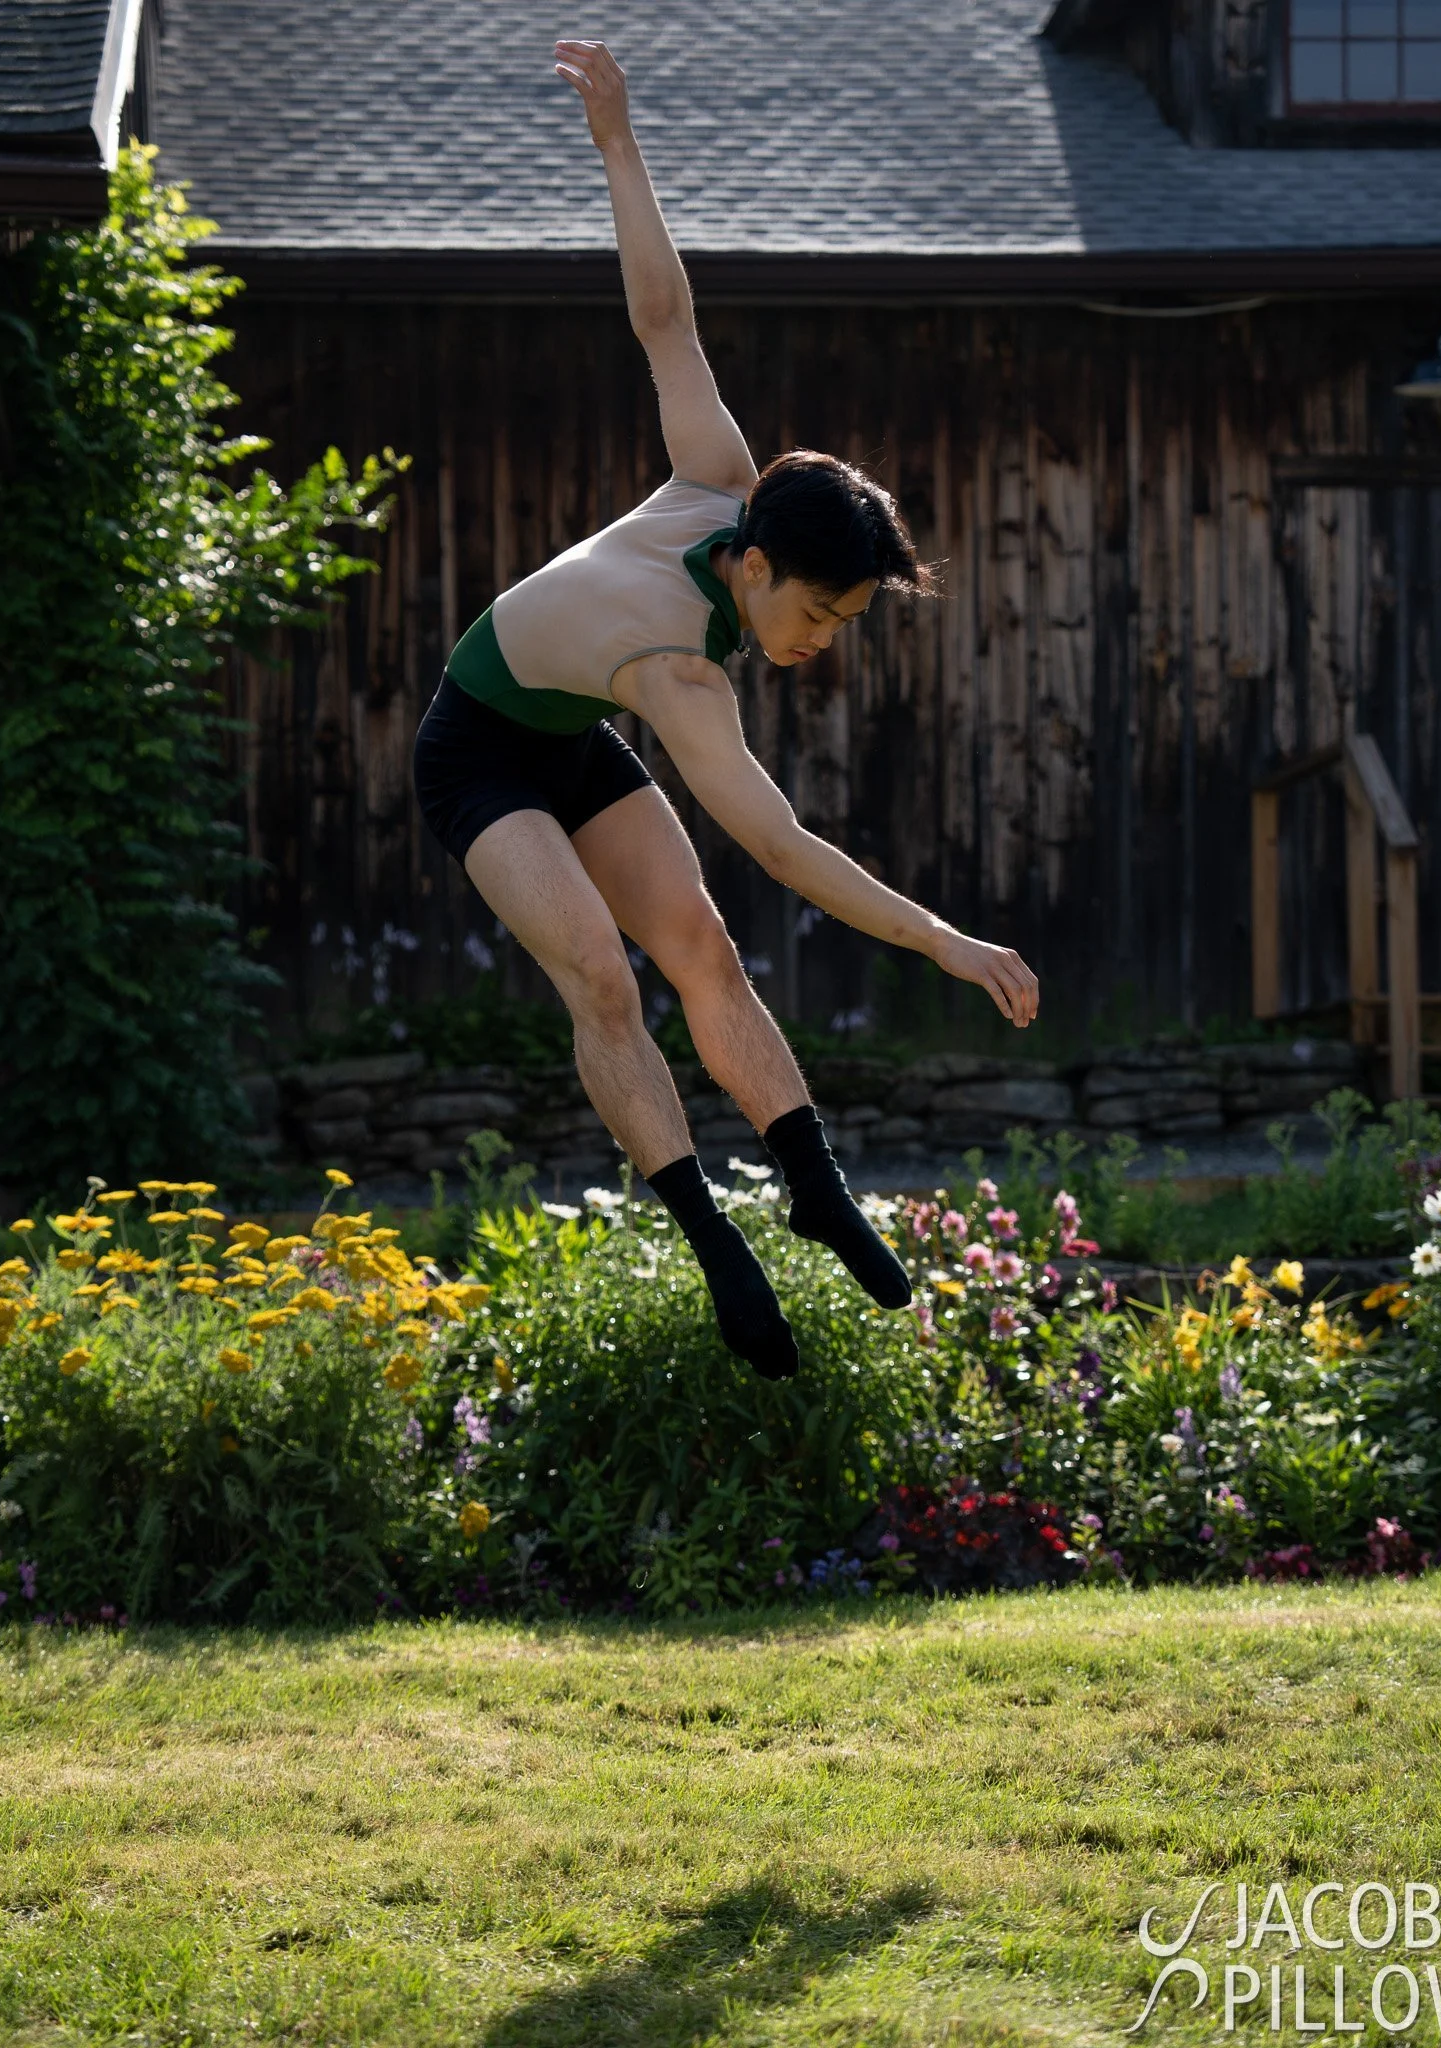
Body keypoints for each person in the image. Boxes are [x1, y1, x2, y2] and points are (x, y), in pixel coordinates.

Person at [413, 39, 1040, 1381]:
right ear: (752, 565)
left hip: (565, 735)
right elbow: (784, 847)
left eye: (841, 626)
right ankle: (714, 1244)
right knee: (596, 965)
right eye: (812, 615)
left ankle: (811, 1184)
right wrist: (943, 942)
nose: (814, 644)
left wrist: (622, 143)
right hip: (475, 750)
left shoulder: (726, 484)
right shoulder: (677, 668)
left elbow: (665, 320)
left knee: (696, 941)